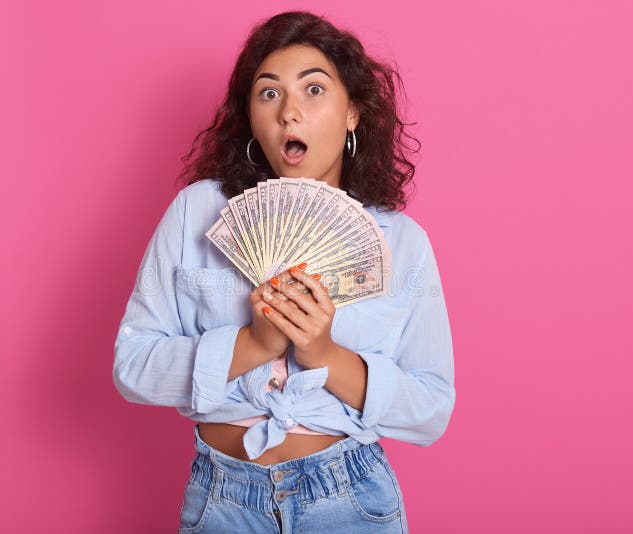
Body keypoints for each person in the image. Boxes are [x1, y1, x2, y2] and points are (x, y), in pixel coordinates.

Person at [113, 11, 455, 533]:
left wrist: (325, 354)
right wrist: (253, 343)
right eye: (268, 93)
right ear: (251, 116)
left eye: (314, 90)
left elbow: (430, 409)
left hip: (350, 500)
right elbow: (132, 367)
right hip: (222, 499)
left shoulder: (403, 243)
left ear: (352, 115)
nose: (289, 113)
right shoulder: (197, 212)